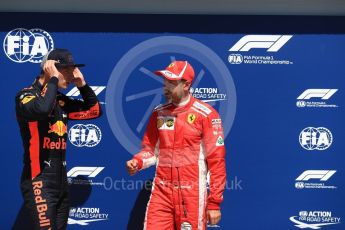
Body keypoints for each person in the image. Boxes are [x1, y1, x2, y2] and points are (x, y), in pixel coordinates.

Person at [126, 60, 227, 230]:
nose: (166, 86)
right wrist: (138, 162)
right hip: (162, 190)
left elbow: (217, 162)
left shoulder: (207, 114)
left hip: (191, 192)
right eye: (165, 81)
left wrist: (214, 203)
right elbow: (150, 150)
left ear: (186, 85)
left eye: (172, 83)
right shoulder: (159, 113)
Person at [15, 48, 102, 230]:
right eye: (68, 70)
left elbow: (94, 111)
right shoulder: (26, 95)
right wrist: (53, 78)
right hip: (39, 180)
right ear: (51, 68)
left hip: (61, 183)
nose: (72, 75)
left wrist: (82, 85)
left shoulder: (61, 100)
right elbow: (42, 110)